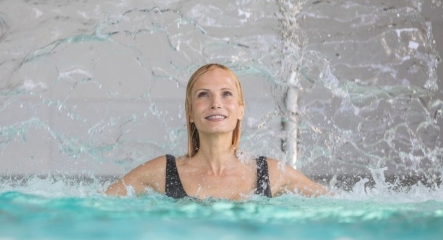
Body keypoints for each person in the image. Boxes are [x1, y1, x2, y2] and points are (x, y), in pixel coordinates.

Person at [105, 63, 327, 200]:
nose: (215, 103)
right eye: (203, 94)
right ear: (190, 112)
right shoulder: (162, 172)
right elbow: (92, 205)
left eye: (226, 94)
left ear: (241, 109)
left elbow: (339, 205)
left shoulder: (271, 173)